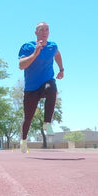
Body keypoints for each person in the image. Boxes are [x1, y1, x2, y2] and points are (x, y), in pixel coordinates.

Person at [18, 22, 64, 153]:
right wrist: (35, 53)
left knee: (52, 89)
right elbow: (21, 65)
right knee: (28, 118)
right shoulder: (27, 47)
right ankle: (24, 139)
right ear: (36, 32)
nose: (44, 32)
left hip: (46, 81)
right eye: (41, 29)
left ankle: (47, 123)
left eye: (47, 29)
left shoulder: (52, 46)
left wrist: (61, 69)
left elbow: (57, 54)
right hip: (31, 87)